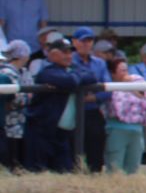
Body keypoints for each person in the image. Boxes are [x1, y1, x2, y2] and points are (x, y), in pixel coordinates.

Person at [24, 32, 98, 174]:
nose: (69, 56)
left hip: (62, 133)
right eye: (64, 53)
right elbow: (70, 81)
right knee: (38, 172)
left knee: (65, 171)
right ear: (53, 54)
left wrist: (74, 77)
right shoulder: (46, 72)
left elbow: (91, 76)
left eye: (70, 52)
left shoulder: (71, 69)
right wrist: (75, 78)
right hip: (42, 130)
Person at [69, 26, 110, 172]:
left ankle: (95, 176)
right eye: (82, 41)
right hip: (71, 113)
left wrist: (93, 98)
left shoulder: (100, 63)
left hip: (92, 112)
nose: (86, 44)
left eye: (89, 40)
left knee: (96, 149)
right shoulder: (68, 60)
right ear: (74, 42)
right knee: (71, 149)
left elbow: (108, 90)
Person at [1, 40, 29, 170]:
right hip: (10, 126)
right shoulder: (8, 74)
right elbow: (18, 99)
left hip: (12, 126)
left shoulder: (19, 72)